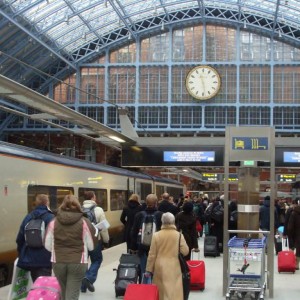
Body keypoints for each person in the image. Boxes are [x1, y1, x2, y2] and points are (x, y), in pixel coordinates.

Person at [44, 194, 96, 300]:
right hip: (78, 262)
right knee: (72, 294)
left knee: (62, 292)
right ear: (77, 205)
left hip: (58, 261)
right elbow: (91, 246)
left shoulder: (53, 222)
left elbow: (47, 246)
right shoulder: (84, 222)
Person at [146, 212, 189, 300]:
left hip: (160, 267)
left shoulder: (156, 235)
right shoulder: (179, 235)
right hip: (175, 267)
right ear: (173, 222)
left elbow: (152, 254)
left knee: (161, 292)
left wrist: (149, 269)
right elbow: (185, 251)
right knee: (174, 291)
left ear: (162, 222)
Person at [16, 194, 54, 282]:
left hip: (30, 258)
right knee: (44, 286)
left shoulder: (28, 217)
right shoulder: (51, 217)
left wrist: (21, 253)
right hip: (46, 258)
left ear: (36, 203)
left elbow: (19, 238)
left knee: (36, 283)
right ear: (47, 203)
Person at [81, 190, 110, 293]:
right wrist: (106, 240)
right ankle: (89, 278)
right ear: (93, 198)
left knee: (83, 262)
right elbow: (104, 227)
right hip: (95, 240)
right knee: (97, 260)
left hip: (82, 241)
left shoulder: (79, 209)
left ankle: (83, 287)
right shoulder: (98, 210)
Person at [130, 193, 163, 276]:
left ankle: (145, 285)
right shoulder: (160, 215)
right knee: (155, 271)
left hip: (142, 248)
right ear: (156, 203)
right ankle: (154, 287)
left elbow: (134, 232)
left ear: (146, 202)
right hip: (156, 248)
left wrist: (133, 247)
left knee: (143, 271)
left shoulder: (139, 215)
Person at [287, 201, 300, 270]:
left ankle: (291, 262)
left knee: (292, 247)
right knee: (299, 249)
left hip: (294, 233)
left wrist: (289, 234)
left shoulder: (294, 213)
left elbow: (290, 226)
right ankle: (297, 264)